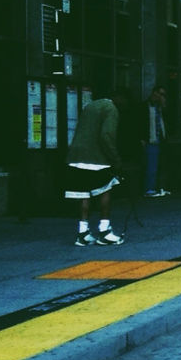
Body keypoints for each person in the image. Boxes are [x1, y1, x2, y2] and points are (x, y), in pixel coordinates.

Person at [65, 88, 126, 246]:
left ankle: (83, 232)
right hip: (97, 158)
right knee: (105, 189)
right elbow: (107, 135)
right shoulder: (111, 109)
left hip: (77, 156)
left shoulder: (90, 106)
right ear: (118, 98)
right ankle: (105, 230)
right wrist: (116, 159)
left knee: (82, 193)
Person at [141, 84, 169, 196]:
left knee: (161, 165)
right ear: (154, 93)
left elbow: (168, 120)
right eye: (160, 94)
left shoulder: (160, 108)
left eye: (163, 95)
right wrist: (142, 138)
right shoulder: (144, 106)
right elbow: (140, 123)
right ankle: (149, 189)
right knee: (151, 166)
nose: (160, 97)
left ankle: (160, 188)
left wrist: (163, 104)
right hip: (150, 140)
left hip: (161, 139)